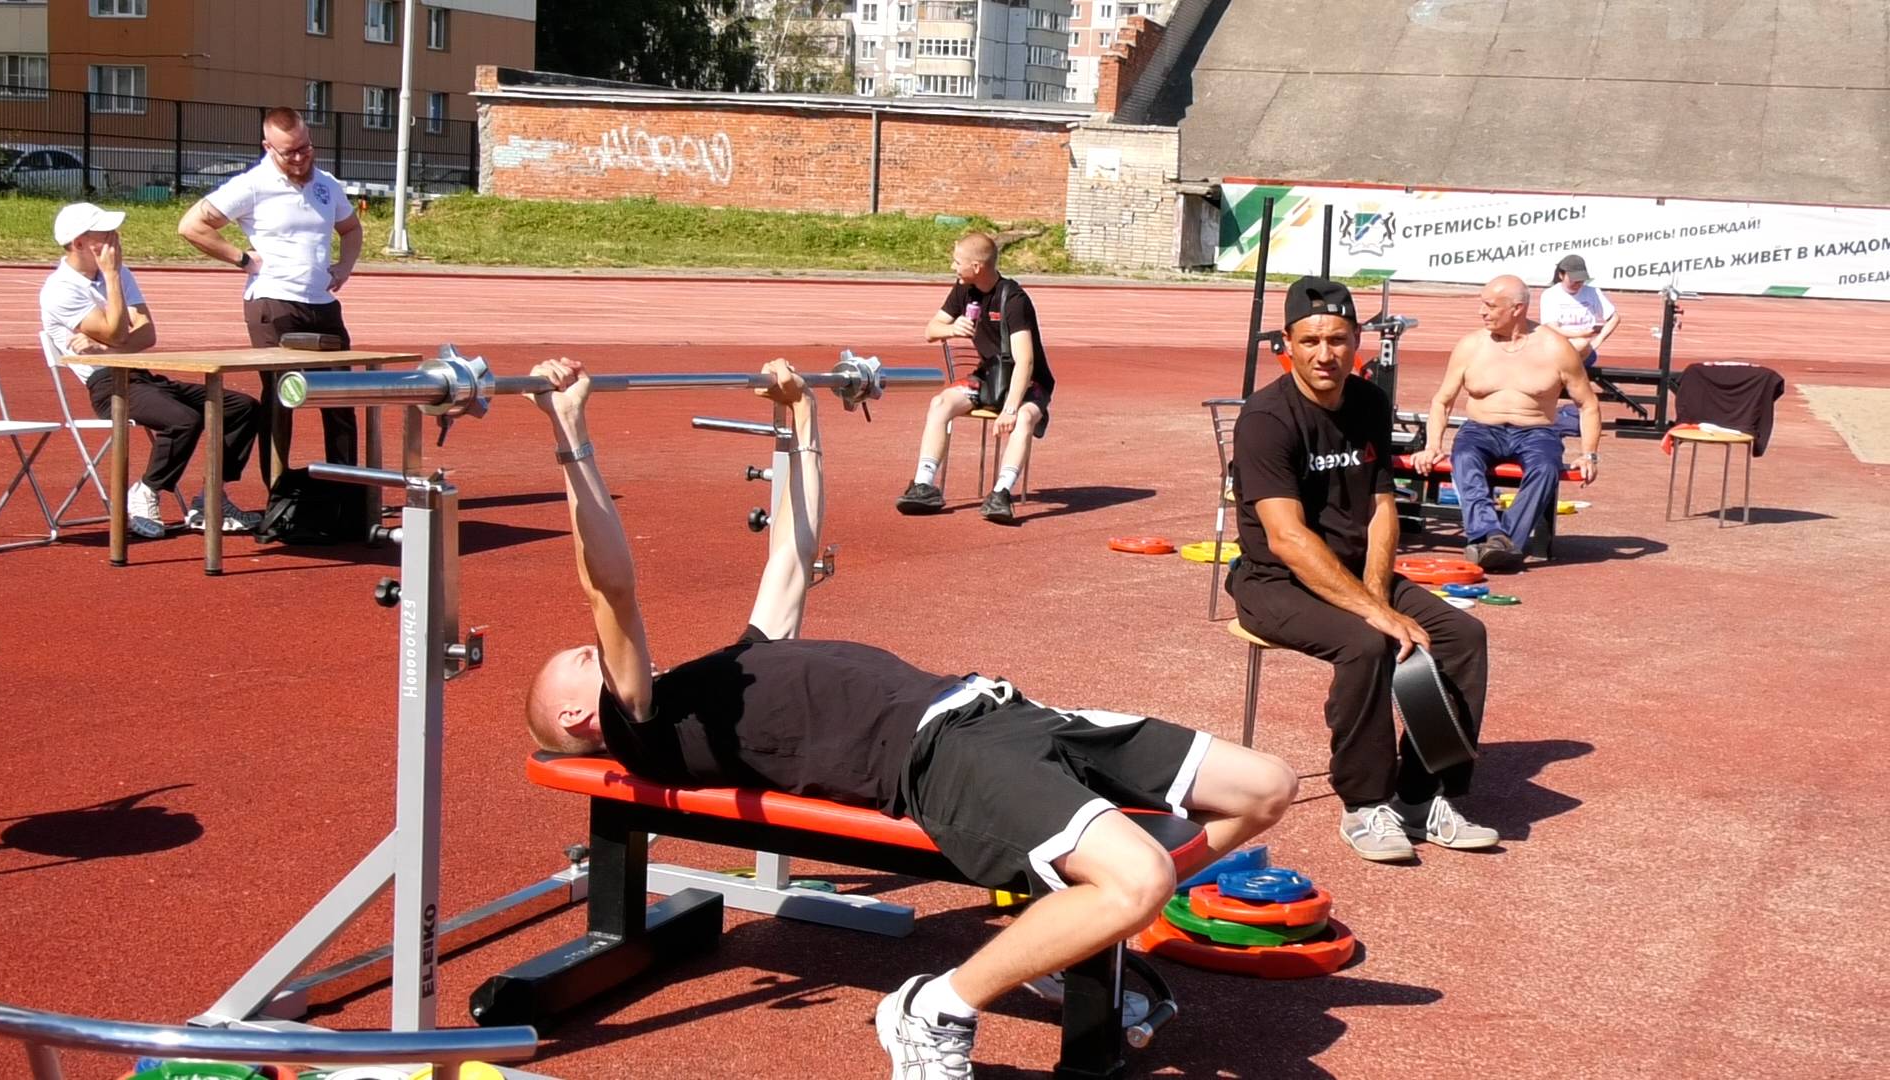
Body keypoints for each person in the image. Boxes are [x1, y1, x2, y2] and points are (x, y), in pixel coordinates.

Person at [520, 356, 1295, 1077]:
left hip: (1001, 710)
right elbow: (609, 588)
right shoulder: (647, 724)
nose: (601, 654)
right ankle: (935, 1008)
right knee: (1140, 878)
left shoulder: (735, 671)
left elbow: (791, 556)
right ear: (578, 713)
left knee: (1265, 787)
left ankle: (1067, 933)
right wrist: (572, 435)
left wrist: (803, 417)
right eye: (584, 658)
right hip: (938, 757)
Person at [1231, 277, 1494, 864]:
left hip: (1356, 574)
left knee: (1463, 635)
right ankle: (1364, 803)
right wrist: (1375, 613)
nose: (1325, 354)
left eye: (1338, 340)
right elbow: (1287, 537)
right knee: (1366, 643)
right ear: (1287, 345)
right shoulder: (1267, 418)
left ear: (1357, 342)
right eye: (1310, 341)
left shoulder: (1369, 402)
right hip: (1275, 581)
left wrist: (1378, 594)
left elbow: (1381, 507)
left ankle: (1421, 796)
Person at [40, 202, 262, 536]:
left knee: (242, 407)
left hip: (142, 375)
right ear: (80, 243)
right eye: (105, 233)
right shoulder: (61, 289)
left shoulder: (121, 272)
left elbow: (147, 334)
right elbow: (119, 332)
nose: (116, 238)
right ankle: (146, 490)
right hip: (108, 384)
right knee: (185, 420)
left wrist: (106, 346)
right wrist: (111, 278)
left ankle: (211, 499)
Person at [177, 106, 363, 466]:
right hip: (274, 303)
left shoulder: (326, 183)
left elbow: (351, 228)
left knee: (341, 396)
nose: (300, 158)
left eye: (305, 148)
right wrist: (241, 258)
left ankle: (347, 484)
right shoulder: (252, 185)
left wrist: (344, 266)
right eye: (290, 152)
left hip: (322, 303)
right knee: (282, 396)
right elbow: (191, 226)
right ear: (268, 147)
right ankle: (279, 488)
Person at [1409, 275, 1602, 569]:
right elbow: (1442, 401)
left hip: (1536, 431)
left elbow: (1587, 404)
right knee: (1465, 459)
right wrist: (1432, 445)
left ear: (1517, 308)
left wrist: (1589, 454)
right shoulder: (1471, 346)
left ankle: (1499, 541)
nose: (1482, 312)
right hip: (1481, 429)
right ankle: (1491, 534)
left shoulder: (1555, 347)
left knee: (1545, 468)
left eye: (1490, 306)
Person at [895, 231, 1056, 525]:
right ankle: (923, 485)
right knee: (940, 403)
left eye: (957, 262)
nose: (953, 267)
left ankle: (1001, 493)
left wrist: (1010, 409)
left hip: (1028, 383)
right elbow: (930, 330)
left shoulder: (1014, 299)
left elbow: (1026, 361)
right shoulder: (963, 290)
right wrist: (951, 329)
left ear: (977, 267)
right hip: (988, 377)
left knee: (1023, 418)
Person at [1537, 254, 1619, 367]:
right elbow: (1552, 328)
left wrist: (1598, 340)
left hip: (1585, 350)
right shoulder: (1550, 294)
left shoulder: (1593, 293)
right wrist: (1580, 334)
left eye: (1581, 280)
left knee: (1582, 344)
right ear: (1561, 275)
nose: (1578, 283)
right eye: (1573, 279)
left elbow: (1614, 318)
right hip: (1558, 347)